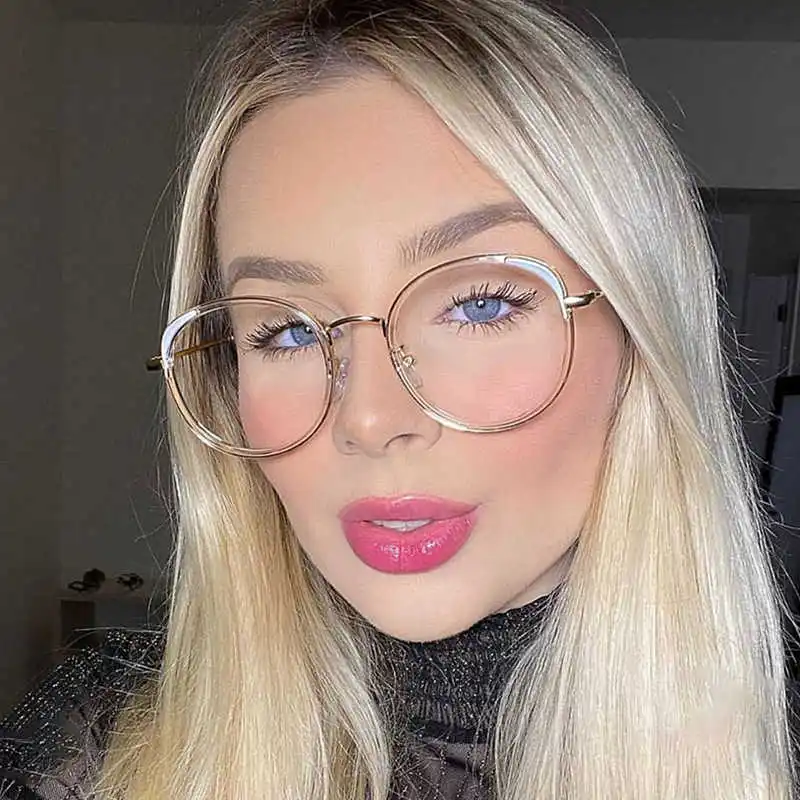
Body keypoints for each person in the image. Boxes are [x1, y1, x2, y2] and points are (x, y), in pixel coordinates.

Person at [1, 0, 796, 797]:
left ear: (639, 334)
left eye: (480, 304)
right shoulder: (95, 758)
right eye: (288, 331)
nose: (370, 419)